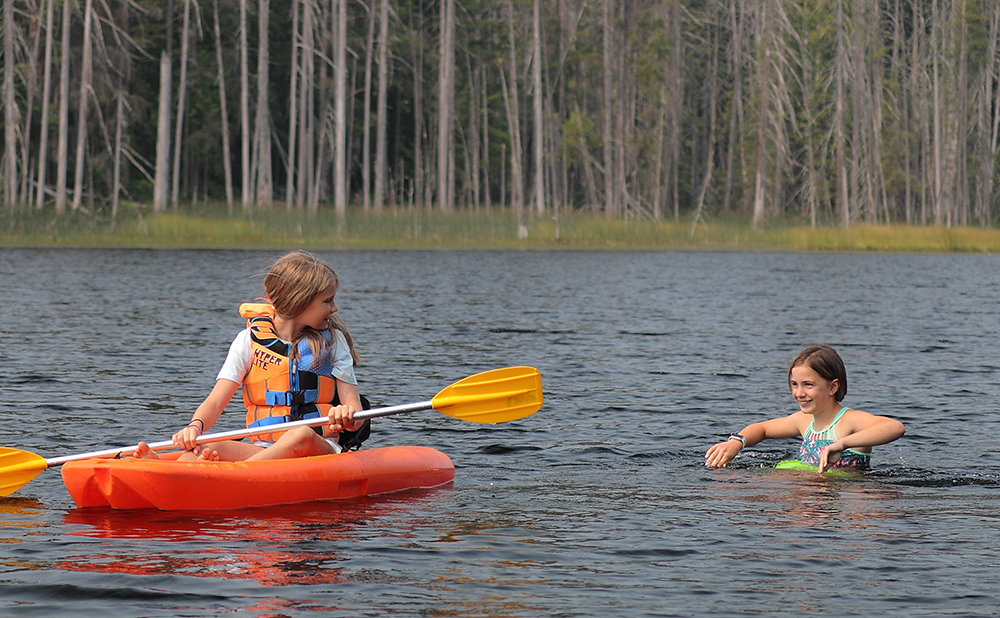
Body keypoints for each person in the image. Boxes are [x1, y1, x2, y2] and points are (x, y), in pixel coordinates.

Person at [135, 250, 364, 462]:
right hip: (263, 449)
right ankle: (166, 471)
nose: (334, 308)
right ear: (298, 301)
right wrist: (195, 427)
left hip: (316, 448)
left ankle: (236, 476)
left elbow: (356, 412)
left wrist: (348, 414)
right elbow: (216, 401)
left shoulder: (334, 342)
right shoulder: (248, 341)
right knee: (199, 452)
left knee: (299, 435)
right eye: (327, 301)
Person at [705, 345, 904, 473]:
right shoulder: (803, 420)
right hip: (807, 489)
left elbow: (894, 427)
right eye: (794, 384)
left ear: (833, 387)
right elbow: (762, 429)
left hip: (845, 496)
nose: (799, 393)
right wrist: (737, 442)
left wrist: (841, 444)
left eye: (808, 385)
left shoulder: (849, 420)